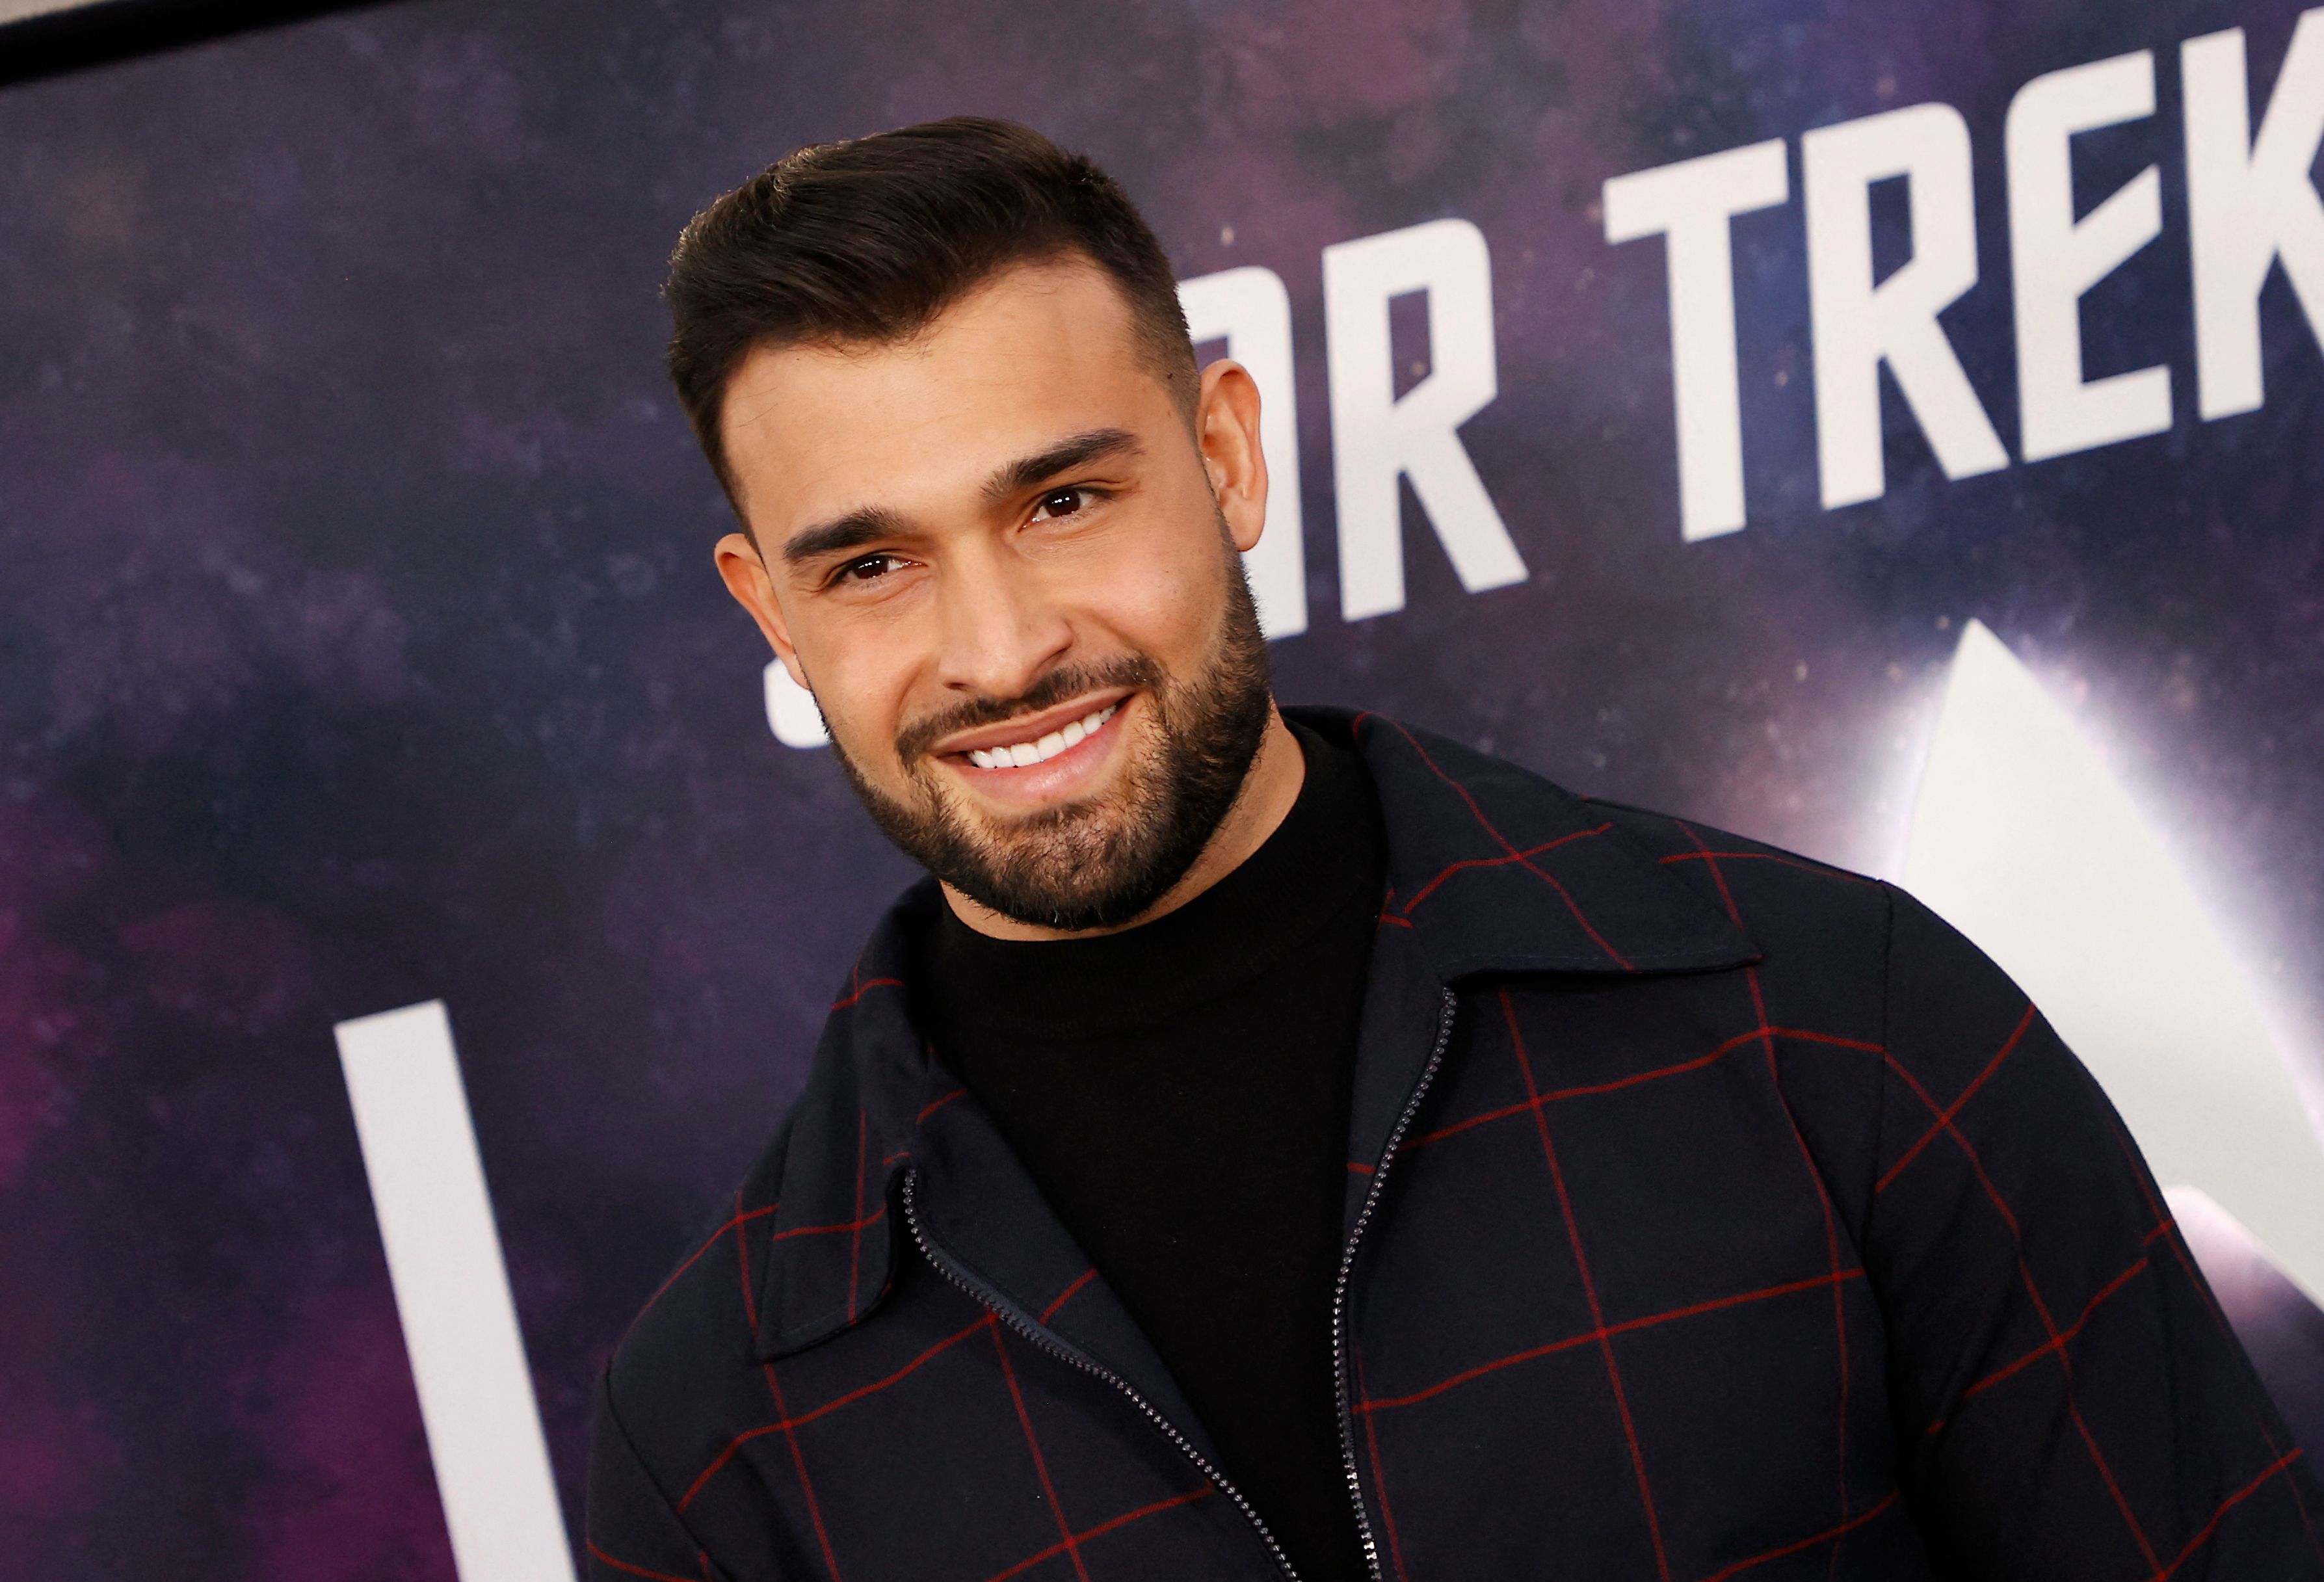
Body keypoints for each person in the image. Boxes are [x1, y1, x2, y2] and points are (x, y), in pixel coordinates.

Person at [585, 117, 2323, 1582]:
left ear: (1228, 453)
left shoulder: (1839, 1033)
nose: (999, 646)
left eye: (1063, 501)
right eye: (870, 563)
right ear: (776, 616)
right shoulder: (729, 1420)